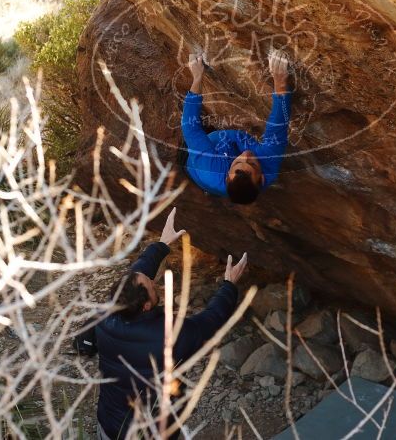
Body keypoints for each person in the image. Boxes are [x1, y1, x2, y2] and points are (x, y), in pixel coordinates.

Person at [95, 208, 249, 440]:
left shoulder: (108, 313)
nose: (152, 281)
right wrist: (229, 284)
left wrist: (162, 244)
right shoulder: (169, 336)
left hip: (110, 423)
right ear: (146, 305)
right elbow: (211, 320)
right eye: (150, 285)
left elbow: (136, 274)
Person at [180, 50, 292, 204]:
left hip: (196, 165)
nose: (246, 155)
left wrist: (197, 77)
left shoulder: (210, 168)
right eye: (252, 164)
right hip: (221, 151)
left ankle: (210, 187)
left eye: (238, 163)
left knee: (193, 142)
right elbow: (280, 121)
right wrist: (280, 82)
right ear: (262, 176)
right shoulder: (269, 164)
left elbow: (190, 128)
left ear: (227, 175)